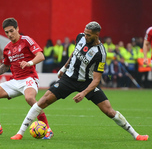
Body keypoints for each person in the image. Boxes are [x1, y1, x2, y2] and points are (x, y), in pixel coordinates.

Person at [11, 21, 149, 141]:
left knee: (109, 111)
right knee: (42, 101)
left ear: (96, 35)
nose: (85, 36)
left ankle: (136, 135)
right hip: (68, 79)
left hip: (87, 83)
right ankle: (20, 133)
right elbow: (74, 53)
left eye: (89, 34)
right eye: (85, 33)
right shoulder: (80, 37)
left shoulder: (100, 53)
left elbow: (96, 80)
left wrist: (83, 93)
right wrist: (64, 68)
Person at [0, 18, 53, 140]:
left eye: (11, 31)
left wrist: (29, 63)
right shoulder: (7, 48)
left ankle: (48, 129)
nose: (9, 34)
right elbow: (5, 65)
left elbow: (41, 56)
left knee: (29, 98)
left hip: (30, 78)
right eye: (7, 32)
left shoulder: (26, 40)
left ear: (17, 29)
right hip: (15, 81)